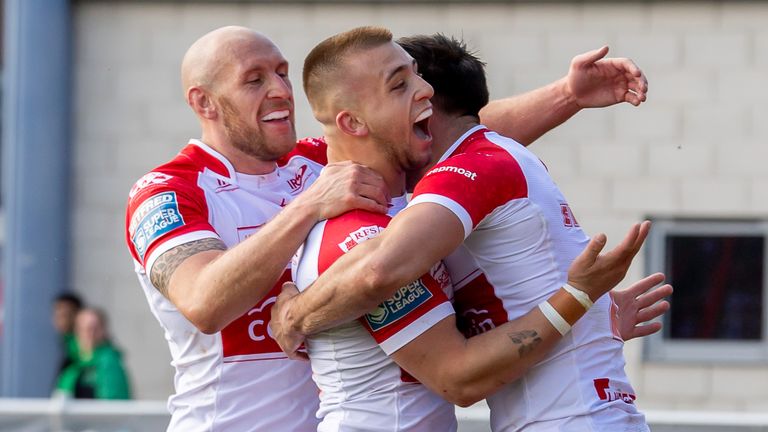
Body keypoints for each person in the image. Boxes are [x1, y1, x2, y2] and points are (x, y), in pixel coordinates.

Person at [124, 25, 656, 431]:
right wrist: (307, 208)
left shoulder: (321, 165)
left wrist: (567, 95)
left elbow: (454, 147)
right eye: (254, 79)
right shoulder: (169, 191)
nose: (281, 91)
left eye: (283, 72)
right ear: (203, 102)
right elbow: (203, 302)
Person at [284, 26, 663, 431]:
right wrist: (581, 302)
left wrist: (293, 314)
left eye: (419, 77)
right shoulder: (362, 217)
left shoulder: (470, 170)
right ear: (354, 122)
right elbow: (453, 373)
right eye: (400, 85)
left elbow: (378, 271)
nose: (421, 91)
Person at [55, 308, 131, 399]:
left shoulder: (109, 362)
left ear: (103, 331)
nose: (89, 333)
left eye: (94, 328)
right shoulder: (72, 366)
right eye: (84, 329)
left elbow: (112, 401)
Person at [52, 292, 83, 377]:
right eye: (57, 315)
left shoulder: (81, 346)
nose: (59, 320)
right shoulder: (67, 342)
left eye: (64, 315)